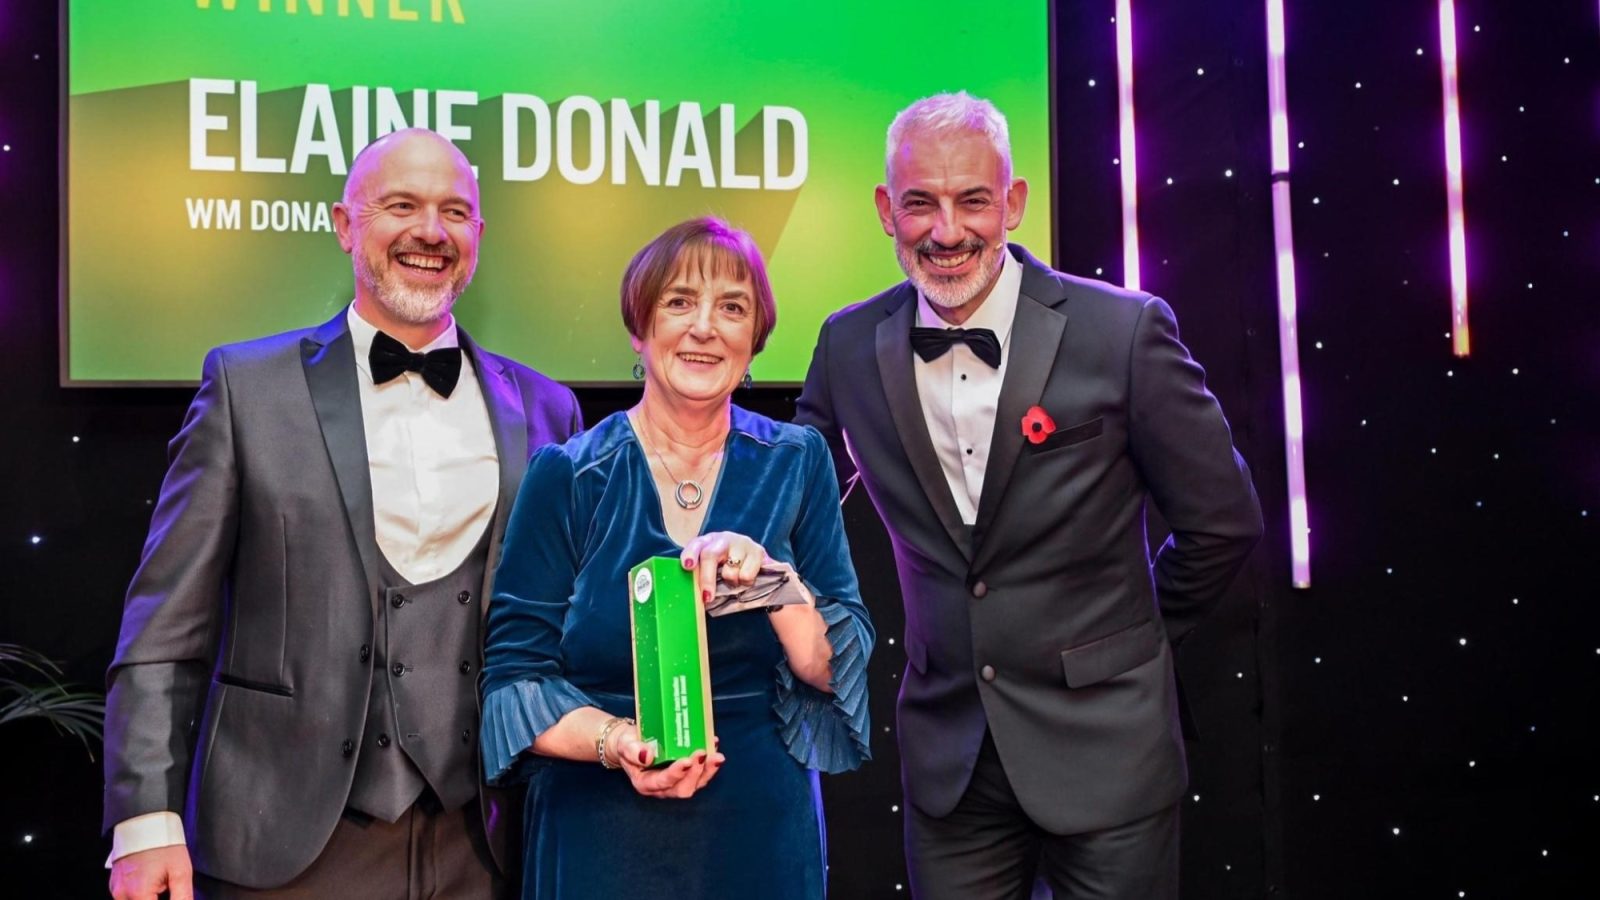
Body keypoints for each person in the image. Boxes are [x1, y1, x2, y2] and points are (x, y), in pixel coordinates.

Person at [795, 92, 1264, 899]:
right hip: (951, 763)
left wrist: (1134, 637)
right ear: (885, 210)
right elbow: (789, 497)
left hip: (1109, 751)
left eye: (972, 199)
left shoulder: (1124, 332)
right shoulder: (846, 343)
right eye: (920, 203)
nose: (947, 231)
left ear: (1013, 202)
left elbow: (1222, 522)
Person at [103, 128, 582, 900]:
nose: (430, 230)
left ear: (479, 237)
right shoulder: (245, 388)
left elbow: (575, 619)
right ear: (343, 223)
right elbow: (166, 626)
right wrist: (145, 820)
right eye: (401, 205)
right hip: (283, 841)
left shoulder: (549, 409)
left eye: (454, 211)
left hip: (491, 845)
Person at [479, 217, 872, 899]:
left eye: (732, 308)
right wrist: (617, 742)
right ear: (641, 326)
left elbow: (839, 672)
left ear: (755, 339)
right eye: (679, 302)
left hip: (760, 831)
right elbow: (514, 681)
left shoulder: (797, 463)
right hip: (600, 826)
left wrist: (776, 584)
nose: (704, 328)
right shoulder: (569, 476)